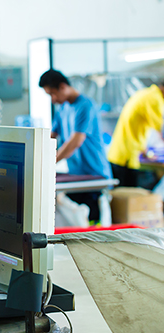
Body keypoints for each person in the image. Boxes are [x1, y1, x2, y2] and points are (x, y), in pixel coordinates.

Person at [39, 69, 112, 222]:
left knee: (93, 228)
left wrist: (48, 164)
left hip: (94, 175)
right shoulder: (63, 109)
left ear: (63, 86)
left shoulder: (86, 106)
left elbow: (75, 142)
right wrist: (38, 155)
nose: (52, 99)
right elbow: (51, 136)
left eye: (53, 93)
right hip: (77, 176)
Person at [107, 81, 164, 189]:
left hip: (119, 153)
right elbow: (161, 130)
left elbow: (136, 128)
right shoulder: (155, 99)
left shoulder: (145, 93)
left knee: (122, 197)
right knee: (127, 198)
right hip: (126, 156)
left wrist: (144, 151)